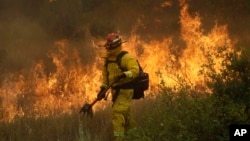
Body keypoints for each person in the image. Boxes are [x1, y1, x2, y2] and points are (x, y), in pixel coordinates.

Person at [96, 33, 139, 141]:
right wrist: (103, 89)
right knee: (126, 116)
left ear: (116, 46)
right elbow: (106, 77)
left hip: (125, 90)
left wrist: (124, 74)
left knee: (117, 112)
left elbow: (135, 71)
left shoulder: (126, 58)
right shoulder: (108, 60)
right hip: (116, 91)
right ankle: (136, 136)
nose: (109, 49)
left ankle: (118, 138)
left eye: (110, 47)